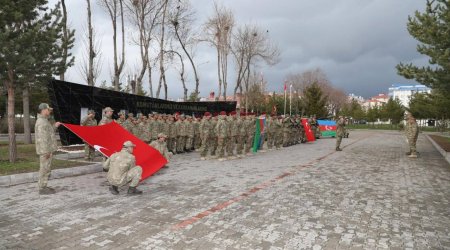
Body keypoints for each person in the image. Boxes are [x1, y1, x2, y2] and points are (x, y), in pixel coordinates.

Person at [35, 103, 61, 195]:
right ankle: (42, 188)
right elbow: (42, 139)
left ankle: (44, 186)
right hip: (45, 150)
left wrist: (55, 126)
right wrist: (46, 152)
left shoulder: (45, 121)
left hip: (47, 149)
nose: (49, 111)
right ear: (43, 110)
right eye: (48, 109)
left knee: (46, 168)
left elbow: (49, 133)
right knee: (44, 169)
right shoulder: (41, 122)